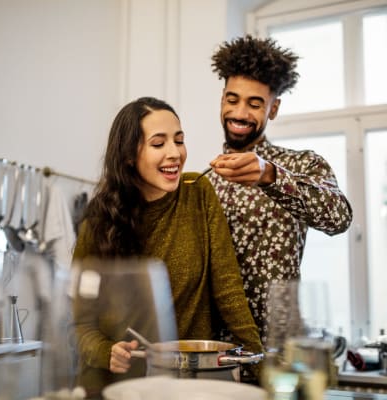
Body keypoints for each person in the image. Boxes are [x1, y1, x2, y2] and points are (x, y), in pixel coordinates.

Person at [71, 96, 263, 397]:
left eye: (180, 140)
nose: (175, 153)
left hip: (182, 387)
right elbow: (80, 321)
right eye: (159, 144)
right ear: (128, 156)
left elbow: (229, 292)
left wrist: (263, 368)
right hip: (112, 388)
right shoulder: (99, 220)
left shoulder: (198, 192)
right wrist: (105, 351)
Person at [208, 35, 353, 345]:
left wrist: (271, 176)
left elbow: (339, 218)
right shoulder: (203, 183)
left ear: (273, 109)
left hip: (280, 350)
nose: (240, 113)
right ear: (222, 99)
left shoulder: (303, 165)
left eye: (255, 103)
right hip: (215, 354)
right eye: (232, 99)